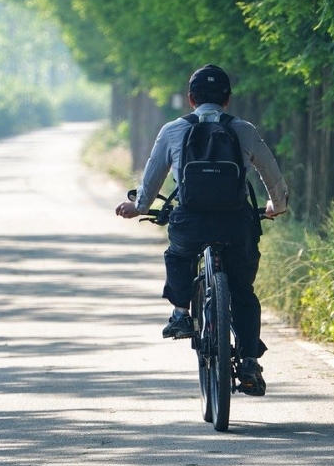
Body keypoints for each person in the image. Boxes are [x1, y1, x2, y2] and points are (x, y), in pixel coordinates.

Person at [115, 64, 289, 396]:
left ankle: (181, 312)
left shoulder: (172, 130)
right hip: (237, 222)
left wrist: (138, 206)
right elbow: (270, 172)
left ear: (191, 99)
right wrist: (276, 206)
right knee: (242, 291)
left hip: (191, 221)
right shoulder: (243, 129)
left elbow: (152, 178)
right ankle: (250, 360)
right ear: (227, 99)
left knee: (178, 254)